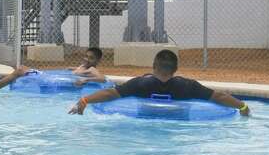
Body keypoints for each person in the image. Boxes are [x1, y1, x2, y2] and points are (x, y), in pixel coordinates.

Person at [69, 49, 251, 116]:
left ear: (153, 65)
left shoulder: (140, 84)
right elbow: (218, 96)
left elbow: (110, 94)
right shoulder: (188, 86)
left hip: (143, 127)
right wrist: (243, 107)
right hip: (180, 130)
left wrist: (84, 100)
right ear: (176, 68)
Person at [0, 47, 105, 92]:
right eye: (86, 56)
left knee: (20, 70)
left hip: (50, 80)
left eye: (91, 58)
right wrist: (71, 69)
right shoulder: (83, 67)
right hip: (51, 77)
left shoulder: (92, 69)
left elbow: (102, 79)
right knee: (20, 72)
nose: (87, 60)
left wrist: (85, 80)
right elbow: (75, 71)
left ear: (97, 61)